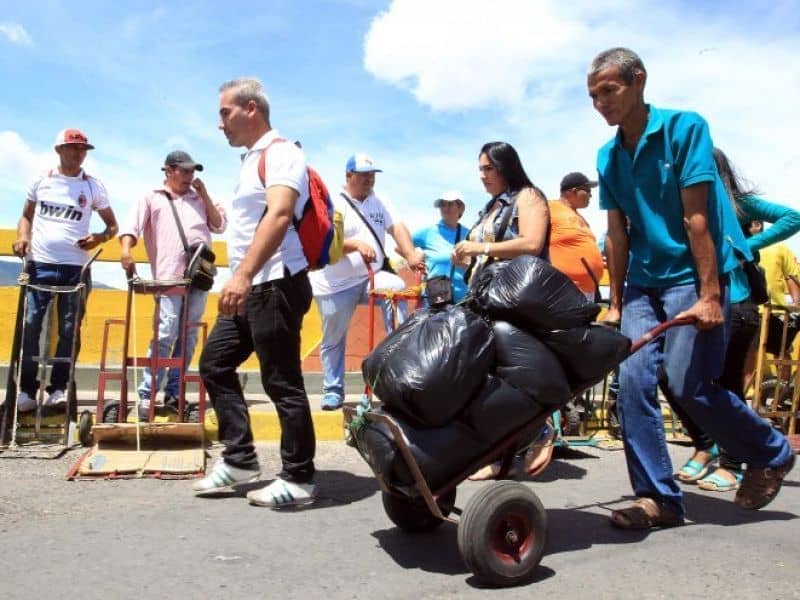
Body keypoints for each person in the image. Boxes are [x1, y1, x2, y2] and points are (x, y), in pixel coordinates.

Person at [589, 47, 794, 528]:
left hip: (692, 275)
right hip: (644, 280)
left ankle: (772, 451)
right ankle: (657, 498)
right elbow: (618, 233)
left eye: (609, 91)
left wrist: (709, 294)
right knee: (633, 384)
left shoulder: (685, 128)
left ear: (638, 81)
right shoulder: (608, 155)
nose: (600, 102)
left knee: (689, 384)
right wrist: (616, 303)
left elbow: (696, 216)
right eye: (593, 95)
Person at [192, 77, 316, 507]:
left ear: (250, 108)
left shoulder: (282, 153)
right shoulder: (251, 160)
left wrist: (242, 276)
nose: (220, 124)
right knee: (215, 364)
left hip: (275, 282)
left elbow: (280, 215)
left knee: (282, 381)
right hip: (251, 285)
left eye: (224, 113)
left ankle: (299, 478)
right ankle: (241, 458)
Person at [668, 150, 800, 493]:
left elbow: (792, 217)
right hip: (696, 305)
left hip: (737, 304)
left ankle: (734, 463)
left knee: (725, 387)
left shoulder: (736, 204)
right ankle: (705, 443)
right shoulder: (682, 203)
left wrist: (745, 245)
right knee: (669, 376)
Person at [453, 141, 552, 481]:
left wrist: (481, 246)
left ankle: (540, 431)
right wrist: (467, 256)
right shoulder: (492, 206)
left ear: (506, 165)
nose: (482, 176)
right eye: (479, 169)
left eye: (488, 168)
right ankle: (499, 455)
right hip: (485, 298)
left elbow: (531, 243)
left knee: (509, 378)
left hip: (515, 300)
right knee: (485, 379)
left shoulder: (528, 196)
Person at [12, 129, 118, 412]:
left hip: (76, 268)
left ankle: (58, 388)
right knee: (31, 326)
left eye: (83, 149)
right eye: (73, 148)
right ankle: (26, 391)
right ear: (59, 150)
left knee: (69, 330)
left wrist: (99, 238)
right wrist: (23, 236)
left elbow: (112, 227)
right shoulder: (41, 180)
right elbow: (26, 216)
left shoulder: (93, 186)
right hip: (40, 265)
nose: (79, 153)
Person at [309, 154, 425, 411]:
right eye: (363, 174)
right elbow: (323, 242)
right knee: (334, 336)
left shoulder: (380, 201)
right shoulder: (332, 203)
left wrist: (410, 254)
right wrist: (354, 245)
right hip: (333, 284)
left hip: (370, 276)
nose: (369, 179)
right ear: (348, 175)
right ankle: (333, 390)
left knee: (395, 288)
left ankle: (398, 366)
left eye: (372, 174)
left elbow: (398, 228)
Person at [119, 151, 226, 420]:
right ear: (169, 171)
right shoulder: (152, 197)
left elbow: (219, 224)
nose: (191, 176)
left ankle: (174, 390)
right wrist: (126, 251)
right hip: (168, 278)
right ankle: (147, 392)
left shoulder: (198, 198)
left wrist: (205, 196)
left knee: (188, 335)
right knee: (166, 332)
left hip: (199, 277)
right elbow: (130, 227)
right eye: (185, 171)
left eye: (193, 171)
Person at [548, 172, 604, 300]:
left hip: (588, 292)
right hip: (562, 289)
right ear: (573, 191)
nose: (591, 195)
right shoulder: (549, 208)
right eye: (587, 190)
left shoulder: (580, 217)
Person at [411, 190, 470, 305]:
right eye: (442, 204)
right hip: (435, 299)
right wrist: (412, 255)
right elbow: (401, 245)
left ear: (460, 208)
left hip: (463, 299)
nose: (445, 208)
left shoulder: (470, 234)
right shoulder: (428, 232)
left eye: (450, 204)